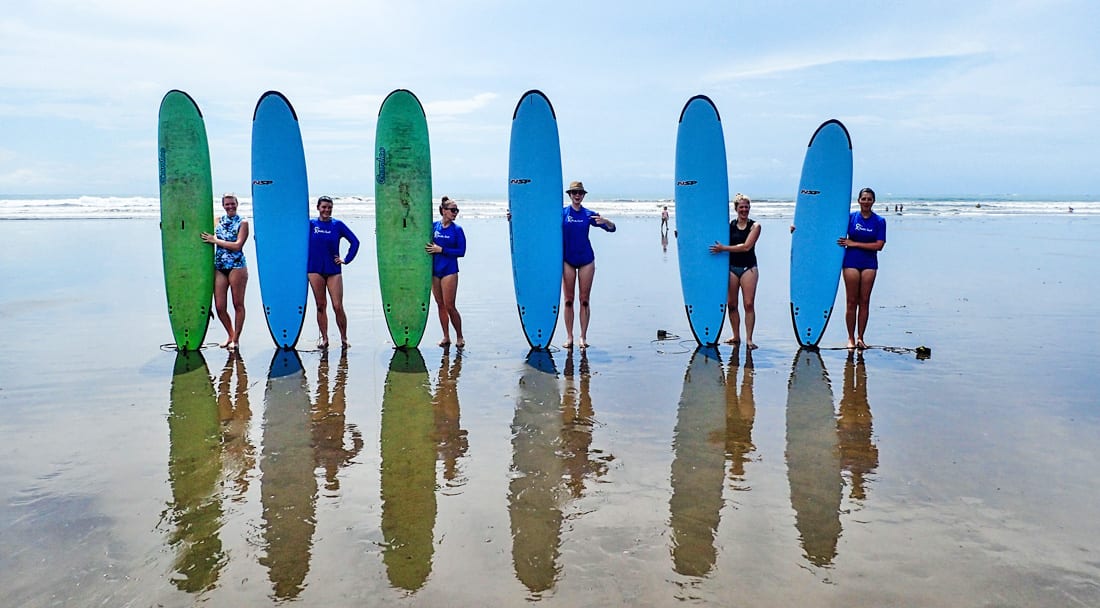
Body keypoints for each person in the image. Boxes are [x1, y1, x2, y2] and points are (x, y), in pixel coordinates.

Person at [562, 181, 616, 349]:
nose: (577, 195)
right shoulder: (562, 213)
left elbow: (612, 229)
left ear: (583, 195)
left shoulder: (588, 214)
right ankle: (569, 337)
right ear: (570, 195)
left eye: (580, 193)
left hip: (586, 260)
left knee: (584, 300)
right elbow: (540, 225)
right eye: (574, 193)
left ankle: (583, 337)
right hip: (567, 260)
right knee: (568, 301)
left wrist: (606, 221)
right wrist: (514, 218)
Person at [709, 194, 761, 349]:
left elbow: (746, 246)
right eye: (741, 207)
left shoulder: (755, 226)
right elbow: (708, 233)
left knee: (749, 304)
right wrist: (683, 234)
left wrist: (724, 249)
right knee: (731, 304)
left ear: (749, 208)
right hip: (731, 268)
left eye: (746, 207)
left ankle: (749, 339)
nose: (744, 210)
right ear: (736, 209)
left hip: (748, 268)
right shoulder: (729, 226)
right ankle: (736, 336)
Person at [308, 195, 360, 349]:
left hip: (333, 270)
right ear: (318, 207)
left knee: (337, 306)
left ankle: (344, 338)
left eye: (329, 207)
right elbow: (293, 237)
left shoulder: (337, 225)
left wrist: (346, 259)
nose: (327, 210)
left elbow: (355, 242)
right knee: (320, 305)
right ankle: (324, 339)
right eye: (324, 207)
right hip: (314, 269)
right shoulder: (310, 224)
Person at [837, 187, 886, 349]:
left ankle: (860, 337)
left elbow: (879, 245)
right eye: (863, 199)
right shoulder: (850, 218)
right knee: (851, 302)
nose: (866, 202)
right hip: (851, 262)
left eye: (869, 199)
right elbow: (829, 229)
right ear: (858, 200)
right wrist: (797, 228)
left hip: (869, 264)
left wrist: (854, 243)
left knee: (864, 301)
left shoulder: (879, 221)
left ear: (873, 201)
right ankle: (850, 338)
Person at [201, 193, 249, 350]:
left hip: (237, 266)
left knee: (238, 304)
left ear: (237, 204)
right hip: (220, 267)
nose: (230, 206)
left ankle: (236, 339)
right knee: (220, 307)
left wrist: (216, 241)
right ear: (223, 205)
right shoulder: (218, 221)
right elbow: (200, 232)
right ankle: (230, 334)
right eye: (227, 204)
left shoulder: (243, 223)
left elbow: (237, 245)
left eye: (232, 203)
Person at [425, 196, 466, 348]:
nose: (455, 213)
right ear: (443, 211)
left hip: (449, 271)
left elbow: (461, 251)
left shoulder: (457, 230)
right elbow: (415, 233)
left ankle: (460, 336)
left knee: (450, 305)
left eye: (457, 210)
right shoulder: (433, 226)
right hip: (435, 271)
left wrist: (441, 250)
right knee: (440, 304)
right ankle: (446, 336)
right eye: (452, 210)